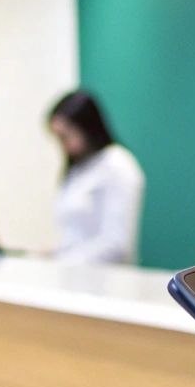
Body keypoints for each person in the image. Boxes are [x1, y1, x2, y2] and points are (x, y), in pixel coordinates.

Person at [48, 90, 145, 265]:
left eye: (65, 136)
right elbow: (74, 236)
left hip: (105, 276)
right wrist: (55, 256)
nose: (62, 145)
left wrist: (64, 262)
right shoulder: (76, 169)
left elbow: (116, 245)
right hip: (72, 273)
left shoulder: (117, 165)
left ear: (86, 127)